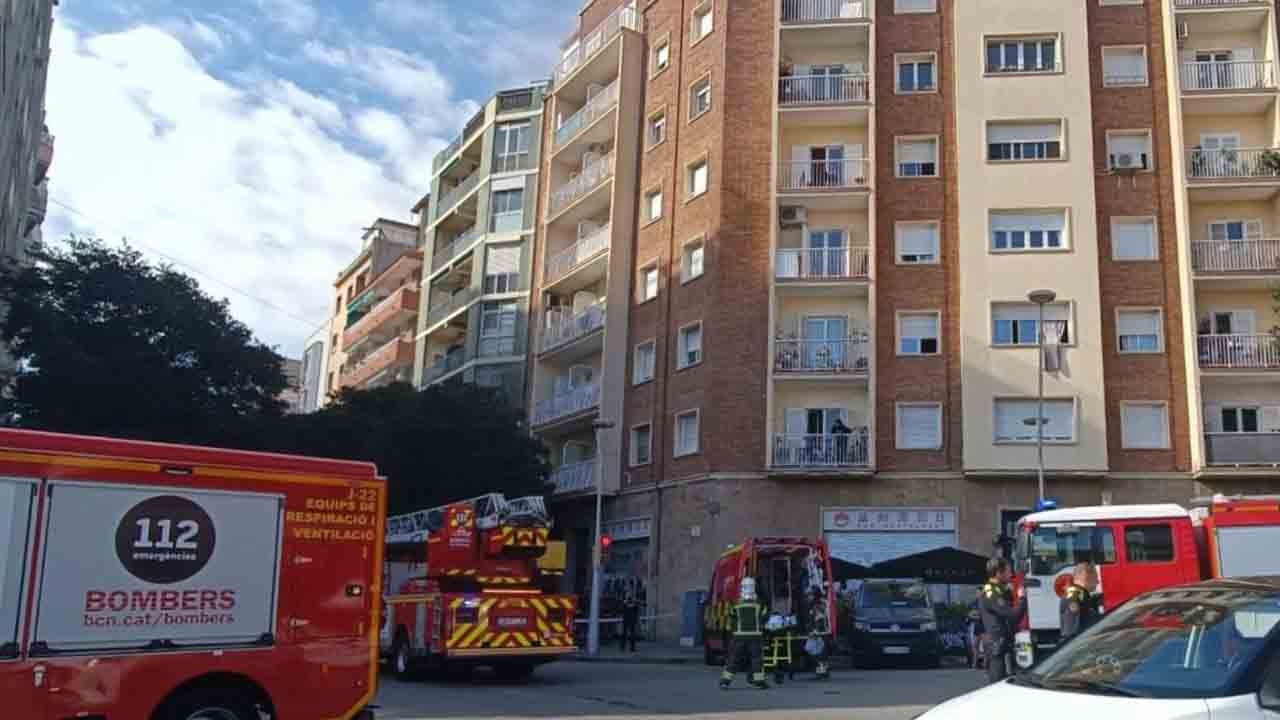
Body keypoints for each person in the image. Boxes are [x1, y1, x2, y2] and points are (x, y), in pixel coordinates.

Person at [978, 556, 1026, 684]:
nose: (1011, 574)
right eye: (1008, 571)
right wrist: (1022, 599)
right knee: (998, 686)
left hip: (1005, 643)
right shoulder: (992, 593)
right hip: (997, 645)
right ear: (999, 573)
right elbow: (1012, 615)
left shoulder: (1000, 590)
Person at [720, 577, 769, 690]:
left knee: (734, 659)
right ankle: (759, 682)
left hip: (739, 636)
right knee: (756, 659)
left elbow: (731, 618)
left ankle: (725, 682)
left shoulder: (736, 604)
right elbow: (765, 617)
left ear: (742, 588)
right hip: (755, 636)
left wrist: (733, 631)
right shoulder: (759, 604)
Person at [1059, 562, 1102, 642]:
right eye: (1095, 578)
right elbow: (1072, 601)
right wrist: (1073, 605)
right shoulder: (1074, 590)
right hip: (1074, 642)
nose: (1097, 582)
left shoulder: (1083, 593)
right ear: (1086, 577)